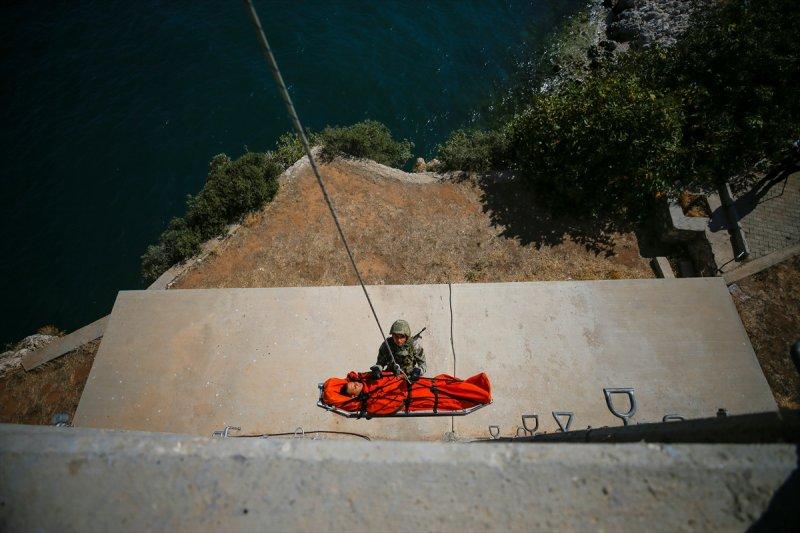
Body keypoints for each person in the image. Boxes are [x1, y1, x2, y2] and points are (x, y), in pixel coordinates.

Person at [322, 369, 491, 416]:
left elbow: (390, 375)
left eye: (354, 383)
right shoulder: (369, 401)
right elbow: (390, 405)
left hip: (413, 383)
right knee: (446, 398)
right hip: (413, 397)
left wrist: (389, 374)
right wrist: (400, 387)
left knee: (445, 384)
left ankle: (477, 388)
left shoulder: (368, 379)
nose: (357, 385)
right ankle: (479, 395)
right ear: (353, 395)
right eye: (354, 388)